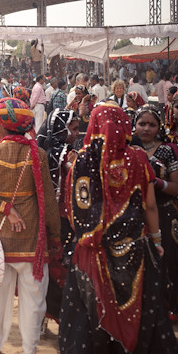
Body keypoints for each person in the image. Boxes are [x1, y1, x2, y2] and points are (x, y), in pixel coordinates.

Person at [59, 103, 176, 353]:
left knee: (89, 314)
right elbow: (151, 206)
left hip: (91, 254)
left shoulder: (81, 162)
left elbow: (72, 212)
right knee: (139, 313)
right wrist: (156, 241)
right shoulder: (138, 159)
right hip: (134, 251)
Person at [0, 97, 60, 354]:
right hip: (33, 240)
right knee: (33, 301)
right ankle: (29, 350)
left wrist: (4, 208)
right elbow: (49, 202)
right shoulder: (37, 154)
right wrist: (55, 236)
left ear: (2, 125)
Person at [35, 109, 80, 326]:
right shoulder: (64, 154)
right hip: (63, 219)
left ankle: (44, 316)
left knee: (49, 267)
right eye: (73, 128)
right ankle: (61, 315)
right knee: (62, 267)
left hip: (46, 217)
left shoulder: (41, 150)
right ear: (61, 129)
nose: (77, 133)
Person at [133, 105, 178, 319]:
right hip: (135, 217)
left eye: (152, 124)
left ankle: (169, 310)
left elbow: (176, 187)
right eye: (142, 123)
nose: (146, 129)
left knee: (168, 262)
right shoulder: (127, 148)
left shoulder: (167, 150)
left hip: (164, 214)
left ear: (159, 127)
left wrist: (156, 182)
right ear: (134, 125)